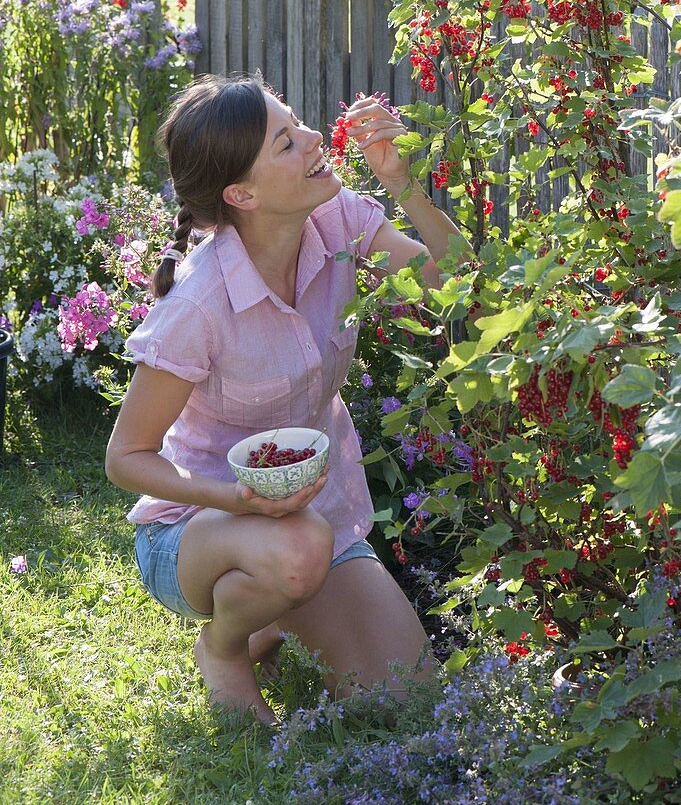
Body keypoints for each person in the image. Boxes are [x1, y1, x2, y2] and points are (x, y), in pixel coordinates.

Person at [105, 74, 469, 726]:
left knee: (414, 701)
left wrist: (400, 180)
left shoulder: (339, 221)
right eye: (284, 143)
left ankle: (271, 624)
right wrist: (239, 500)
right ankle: (223, 647)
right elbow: (126, 458)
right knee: (297, 552)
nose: (310, 140)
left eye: (298, 123)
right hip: (195, 532)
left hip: (315, 519)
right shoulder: (200, 305)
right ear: (241, 194)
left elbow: (449, 280)